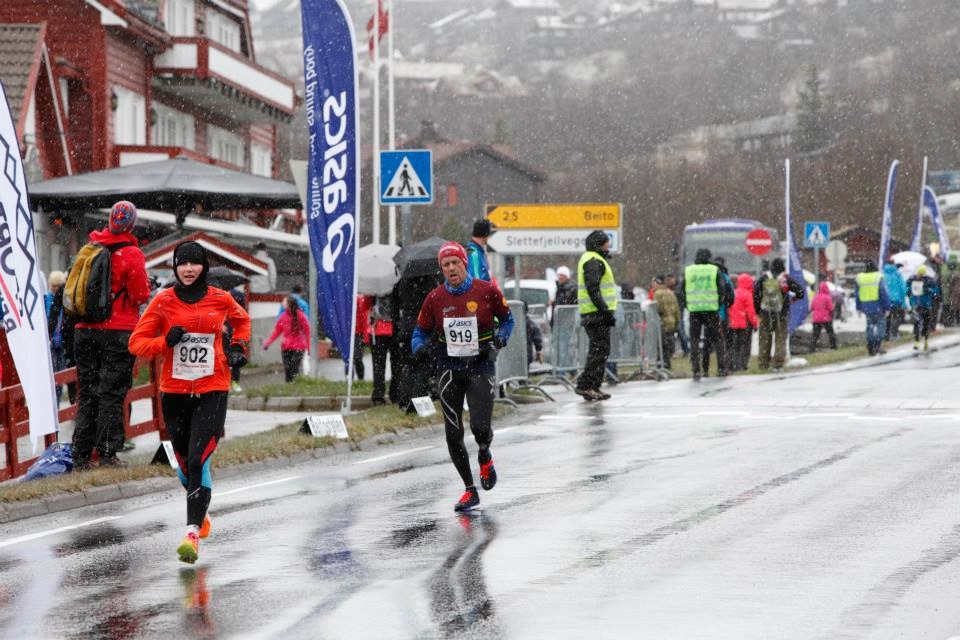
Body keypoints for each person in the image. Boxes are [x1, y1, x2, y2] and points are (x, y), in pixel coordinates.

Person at [129, 240, 250, 564]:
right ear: (175, 267)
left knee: (198, 459)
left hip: (213, 388)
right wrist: (164, 341)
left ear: (203, 267)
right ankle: (202, 511)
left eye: (194, 264)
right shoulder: (163, 301)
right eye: (182, 264)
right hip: (175, 392)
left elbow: (242, 322)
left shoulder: (221, 299)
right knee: (184, 464)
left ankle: (192, 534)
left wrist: (238, 347)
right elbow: (136, 343)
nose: (188, 269)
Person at [412, 241, 514, 512]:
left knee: (480, 428)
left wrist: (500, 340)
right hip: (449, 369)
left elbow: (508, 319)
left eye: (455, 262)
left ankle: (484, 453)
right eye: (446, 265)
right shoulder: (435, 298)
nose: (451, 268)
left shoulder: (486, 291)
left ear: (464, 264)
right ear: (441, 269)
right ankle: (470, 490)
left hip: (480, 366)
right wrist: (419, 348)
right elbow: (419, 331)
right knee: (453, 433)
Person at [72, 201, 151, 471]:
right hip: (117, 331)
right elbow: (140, 294)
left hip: (84, 331)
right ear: (131, 224)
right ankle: (107, 454)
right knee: (111, 394)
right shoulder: (131, 253)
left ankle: (80, 455)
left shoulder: (90, 247)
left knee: (88, 393)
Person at [678, 248, 733, 381]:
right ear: (709, 257)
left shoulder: (689, 270)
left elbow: (681, 291)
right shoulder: (714, 270)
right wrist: (719, 303)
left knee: (695, 341)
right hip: (711, 309)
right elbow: (722, 289)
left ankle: (696, 370)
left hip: (694, 310)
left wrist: (687, 304)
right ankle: (721, 368)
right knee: (718, 339)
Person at [574, 230, 617, 400]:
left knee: (601, 350)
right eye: (607, 243)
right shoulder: (593, 261)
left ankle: (594, 386)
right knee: (598, 351)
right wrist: (605, 310)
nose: (608, 246)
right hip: (596, 313)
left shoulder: (595, 259)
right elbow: (593, 289)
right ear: (599, 244)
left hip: (595, 313)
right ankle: (586, 385)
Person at [752, 257, 805, 372]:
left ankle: (763, 364)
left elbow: (756, 294)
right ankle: (777, 364)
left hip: (765, 312)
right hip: (782, 313)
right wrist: (793, 298)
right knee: (780, 339)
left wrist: (758, 310)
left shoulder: (764, 278)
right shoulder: (785, 279)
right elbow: (801, 291)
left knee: (764, 338)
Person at [263, 295, 311, 382]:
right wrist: (268, 343)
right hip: (286, 348)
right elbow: (276, 332)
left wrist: (308, 348)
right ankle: (289, 387)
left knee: (294, 369)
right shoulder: (283, 317)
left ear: (289, 304)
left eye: (284, 302)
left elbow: (307, 332)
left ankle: (295, 387)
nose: (282, 303)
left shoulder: (301, 316)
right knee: (288, 370)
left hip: (298, 348)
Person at [854, 260, 891, 356]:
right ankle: (878, 346)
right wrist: (887, 307)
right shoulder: (878, 277)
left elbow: (857, 294)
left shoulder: (860, 278)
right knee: (881, 327)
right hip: (878, 306)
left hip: (866, 307)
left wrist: (858, 307)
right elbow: (883, 292)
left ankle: (870, 347)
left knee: (870, 327)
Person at [369, 292, 400, 405]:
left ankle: (378, 395)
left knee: (378, 365)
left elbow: (367, 304)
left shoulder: (375, 285)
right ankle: (395, 394)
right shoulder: (399, 281)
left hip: (378, 329)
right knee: (397, 364)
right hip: (395, 328)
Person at [727, 272, 758, 371]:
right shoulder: (747, 294)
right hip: (745, 324)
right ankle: (742, 365)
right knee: (745, 345)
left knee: (733, 345)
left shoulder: (734, 292)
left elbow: (729, 308)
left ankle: (732, 364)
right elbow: (750, 311)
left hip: (732, 324)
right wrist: (755, 324)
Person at [906, 265, 940, 351]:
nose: (920, 275)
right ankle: (917, 341)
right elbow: (906, 289)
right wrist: (909, 291)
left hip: (926, 305)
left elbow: (936, 292)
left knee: (925, 323)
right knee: (916, 323)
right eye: (919, 273)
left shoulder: (929, 280)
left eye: (922, 273)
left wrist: (928, 290)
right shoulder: (912, 279)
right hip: (916, 305)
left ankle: (925, 340)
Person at [45, 271, 67, 398]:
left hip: (62, 340)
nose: (55, 288)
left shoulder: (65, 299)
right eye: (53, 285)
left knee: (61, 374)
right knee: (52, 374)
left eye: (58, 286)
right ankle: (55, 403)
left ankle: (58, 398)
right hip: (51, 340)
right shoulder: (46, 299)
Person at [652, 275, 680, 370]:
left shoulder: (657, 293)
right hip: (671, 322)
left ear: (657, 283)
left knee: (661, 346)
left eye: (653, 283)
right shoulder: (670, 293)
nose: (652, 285)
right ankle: (667, 366)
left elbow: (658, 308)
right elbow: (677, 310)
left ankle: (662, 366)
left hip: (662, 323)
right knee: (666, 346)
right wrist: (676, 322)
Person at [883, 260, 907, 340]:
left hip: (887, 300)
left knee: (887, 318)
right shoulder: (898, 275)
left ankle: (886, 335)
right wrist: (903, 301)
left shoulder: (883, 275)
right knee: (898, 317)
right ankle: (894, 332)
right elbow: (903, 289)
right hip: (897, 300)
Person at [809, 282, 837, 351]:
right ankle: (833, 347)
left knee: (815, 335)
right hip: (825, 319)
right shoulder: (827, 297)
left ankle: (812, 348)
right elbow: (830, 308)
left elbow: (812, 308)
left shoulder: (815, 297)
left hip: (816, 319)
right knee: (830, 333)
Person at [351, 295, 373, 380]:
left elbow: (364, 321)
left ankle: (360, 378)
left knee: (357, 357)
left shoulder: (359, 301)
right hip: (351, 334)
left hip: (358, 334)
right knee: (349, 359)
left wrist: (365, 337)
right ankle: (349, 378)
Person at [522, 301, 544, 365]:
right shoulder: (530, 324)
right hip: (527, 355)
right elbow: (537, 339)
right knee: (525, 372)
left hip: (515, 355)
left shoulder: (512, 323)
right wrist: (538, 350)